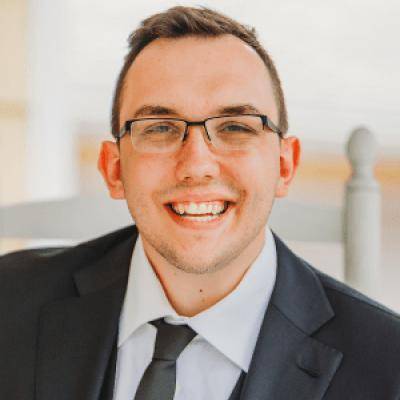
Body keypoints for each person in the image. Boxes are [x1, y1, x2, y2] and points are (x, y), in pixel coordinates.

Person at [1, 5, 399, 400]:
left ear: (284, 165)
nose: (196, 165)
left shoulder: (388, 367)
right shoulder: (8, 301)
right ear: (114, 169)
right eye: (159, 128)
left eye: (235, 127)